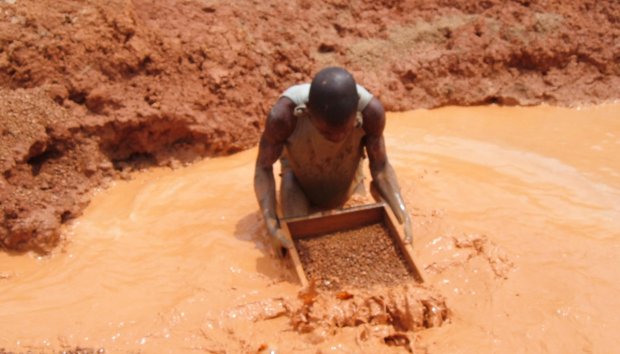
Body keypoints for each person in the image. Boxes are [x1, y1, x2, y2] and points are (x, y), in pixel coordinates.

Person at [254, 67, 412, 257]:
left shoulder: (372, 113)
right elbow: (263, 168)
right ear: (307, 113)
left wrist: (404, 216)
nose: (337, 138)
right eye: (327, 133)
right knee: (293, 246)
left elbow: (381, 166)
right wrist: (272, 226)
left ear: (356, 114)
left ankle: (375, 196)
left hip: (345, 178)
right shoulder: (284, 116)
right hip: (298, 181)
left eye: (345, 131)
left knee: (394, 220)